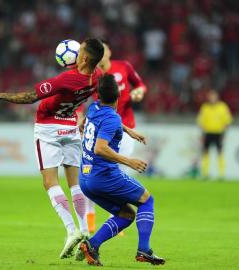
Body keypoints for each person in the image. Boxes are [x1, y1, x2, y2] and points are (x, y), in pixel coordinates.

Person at [0, 38, 144, 259]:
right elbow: (102, 105)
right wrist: (127, 129)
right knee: (74, 183)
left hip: (48, 126)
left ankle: (71, 230)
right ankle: (85, 229)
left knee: (50, 182)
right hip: (70, 125)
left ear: (84, 57)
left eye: (80, 50)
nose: (77, 52)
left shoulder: (67, 79)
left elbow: (31, 97)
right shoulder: (96, 77)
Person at [77, 74, 165, 266]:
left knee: (126, 215)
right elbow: (100, 148)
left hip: (85, 179)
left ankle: (91, 245)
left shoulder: (94, 108)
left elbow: (85, 123)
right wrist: (129, 161)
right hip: (104, 176)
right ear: (118, 97)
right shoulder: (113, 118)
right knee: (147, 200)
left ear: (99, 96)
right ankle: (144, 250)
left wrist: (128, 130)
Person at [84, 40, 148, 234]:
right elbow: (82, 97)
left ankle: (117, 219)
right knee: (92, 171)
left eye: (104, 50)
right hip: (100, 128)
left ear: (110, 51)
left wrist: (138, 92)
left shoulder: (124, 66)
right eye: (99, 52)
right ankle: (89, 222)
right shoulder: (93, 75)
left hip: (123, 129)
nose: (102, 54)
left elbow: (141, 86)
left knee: (117, 173)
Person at [197, 90, 233, 179]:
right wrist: (202, 132)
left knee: (220, 153)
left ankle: (221, 174)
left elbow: (228, 120)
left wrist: (224, 132)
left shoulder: (222, 107)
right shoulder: (205, 107)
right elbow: (201, 120)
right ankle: (205, 173)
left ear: (217, 97)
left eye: (214, 96)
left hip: (218, 133)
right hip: (208, 133)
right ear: (208, 97)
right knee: (205, 153)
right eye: (211, 96)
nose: (212, 98)